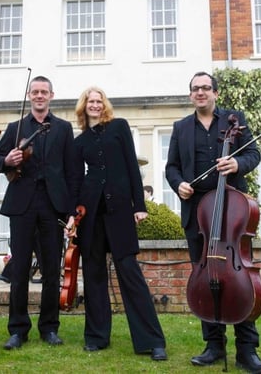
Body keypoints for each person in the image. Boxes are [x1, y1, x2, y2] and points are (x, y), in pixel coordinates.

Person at [164, 71, 261, 374]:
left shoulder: (234, 119)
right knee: (206, 277)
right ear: (190, 95)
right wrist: (179, 184)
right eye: (195, 89)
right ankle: (213, 345)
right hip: (198, 213)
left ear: (216, 93)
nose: (201, 93)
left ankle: (247, 350)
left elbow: (253, 154)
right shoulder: (181, 128)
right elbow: (171, 167)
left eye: (206, 88)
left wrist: (237, 163)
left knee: (241, 279)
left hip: (233, 212)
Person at [69, 86, 168, 361]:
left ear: (105, 105)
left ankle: (152, 340)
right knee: (94, 275)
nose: (95, 105)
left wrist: (139, 205)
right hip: (90, 214)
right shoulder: (80, 142)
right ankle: (96, 337)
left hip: (120, 211)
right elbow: (76, 180)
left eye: (99, 101)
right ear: (84, 106)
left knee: (130, 273)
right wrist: (72, 215)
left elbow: (132, 168)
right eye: (90, 101)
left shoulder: (120, 127)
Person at [0, 75, 79, 350]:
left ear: (51, 95)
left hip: (52, 206)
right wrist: (7, 160)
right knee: (20, 270)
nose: (39, 96)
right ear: (29, 96)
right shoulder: (15, 128)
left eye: (44, 92)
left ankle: (49, 327)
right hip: (22, 205)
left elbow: (73, 171)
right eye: (35, 92)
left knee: (52, 270)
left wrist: (72, 210)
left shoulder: (63, 129)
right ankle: (18, 329)